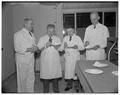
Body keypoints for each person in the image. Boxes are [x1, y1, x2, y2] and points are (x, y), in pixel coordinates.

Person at [14, 18, 38, 92]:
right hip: (22, 60)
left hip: (31, 59)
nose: (32, 25)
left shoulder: (32, 34)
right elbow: (17, 48)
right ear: (25, 24)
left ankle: (30, 92)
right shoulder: (18, 34)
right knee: (22, 79)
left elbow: (33, 45)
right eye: (31, 24)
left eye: (32, 24)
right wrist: (30, 49)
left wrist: (36, 48)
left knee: (31, 77)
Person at [37, 24, 62, 93]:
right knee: (46, 81)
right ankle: (45, 92)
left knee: (55, 80)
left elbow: (60, 49)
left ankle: (56, 92)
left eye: (53, 31)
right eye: (49, 31)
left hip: (55, 62)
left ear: (54, 31)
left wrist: (53, 45)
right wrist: (45, 45)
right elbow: (38, 50)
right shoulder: (42, 38)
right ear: (47, 30)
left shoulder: (57, 38)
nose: (51, 33)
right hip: (46, 63)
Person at [59, 26, 84, 92]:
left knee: (75, 73)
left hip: (75, 58)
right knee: (68, 73)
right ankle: (69, 85)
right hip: (68, 58)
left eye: (70, 31)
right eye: (68, 31)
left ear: (74, 31)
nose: (69, 32)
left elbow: (82, 47)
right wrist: (61, 48)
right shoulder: (65, 38)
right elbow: (61, 47)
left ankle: (76, 87)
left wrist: (77, 47)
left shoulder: (77, 38)